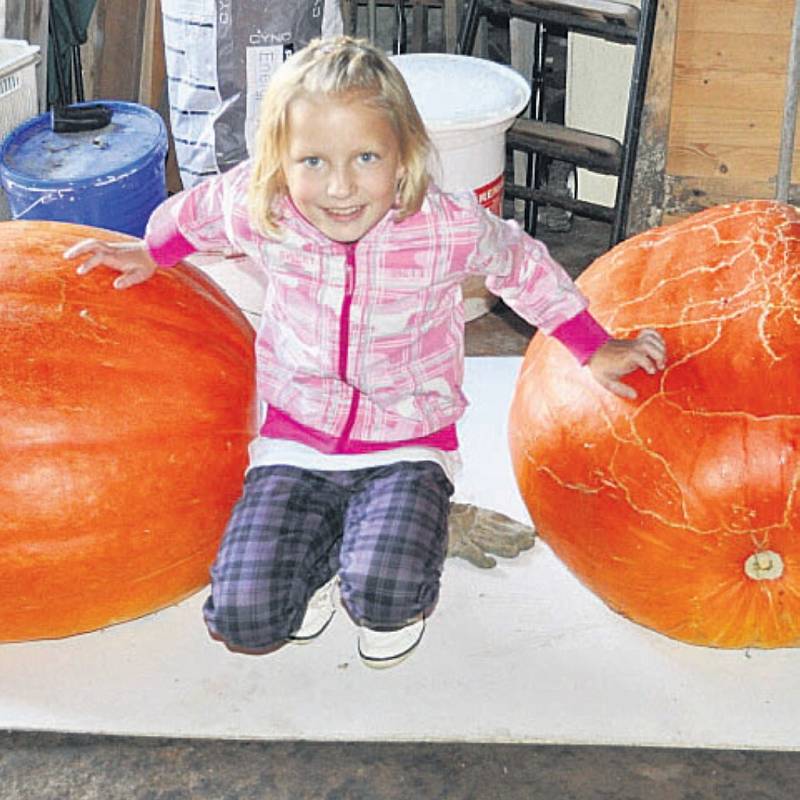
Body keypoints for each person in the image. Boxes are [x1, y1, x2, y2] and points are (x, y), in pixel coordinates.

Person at [65, 36, 666, 668]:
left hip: (407, 441)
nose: (341, 187)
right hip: (296, 440)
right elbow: (196, 213)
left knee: (386, 595)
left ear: (404, 155)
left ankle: (409, 522)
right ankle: (332, 544)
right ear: (279, 161)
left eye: (367, 157)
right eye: (314, 162)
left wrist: (592, 346)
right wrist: (146, 251)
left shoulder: (442, 225)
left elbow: (519, 263)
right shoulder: (264, 207)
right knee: (245, 619)